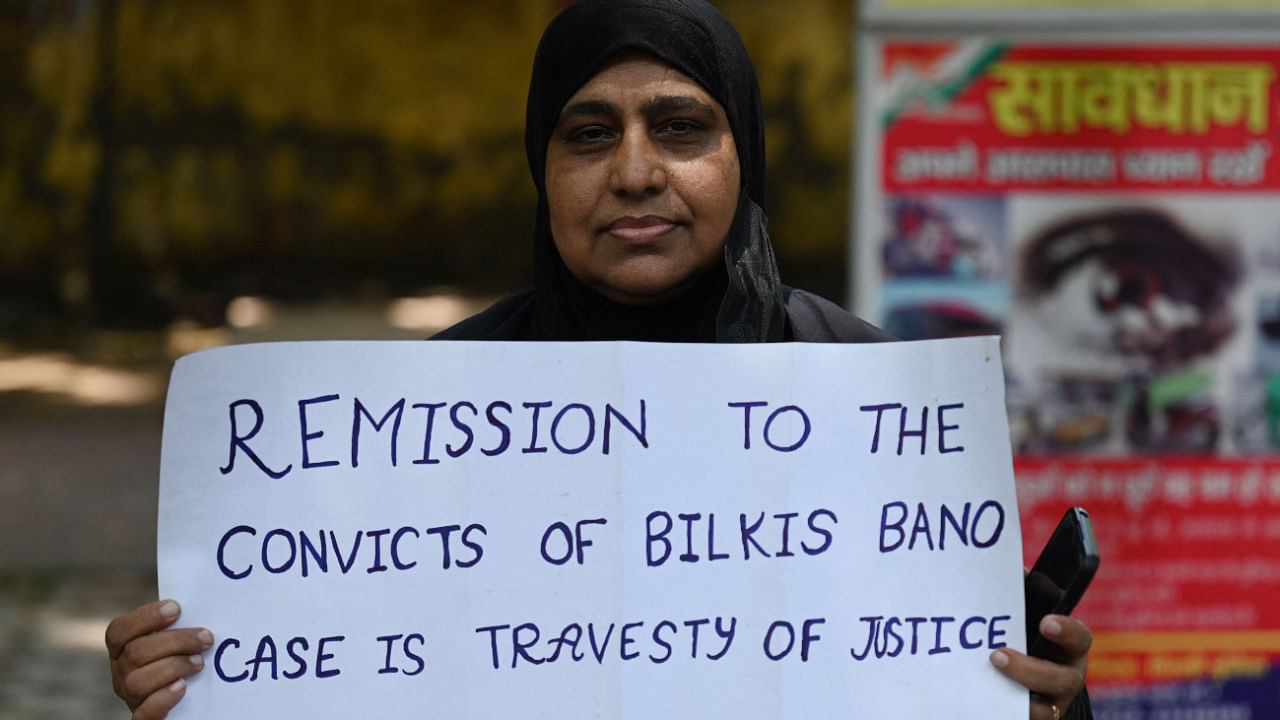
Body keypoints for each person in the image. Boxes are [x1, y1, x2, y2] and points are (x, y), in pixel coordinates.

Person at [105, 1, 1093, 718]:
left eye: (678, 127)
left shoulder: (873, 400)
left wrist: (1046, 703)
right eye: (588, 134)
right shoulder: (411, 430)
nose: (632, 171)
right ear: (540, 168)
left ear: (741, 152)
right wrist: (185, 686)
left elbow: (939, 678)